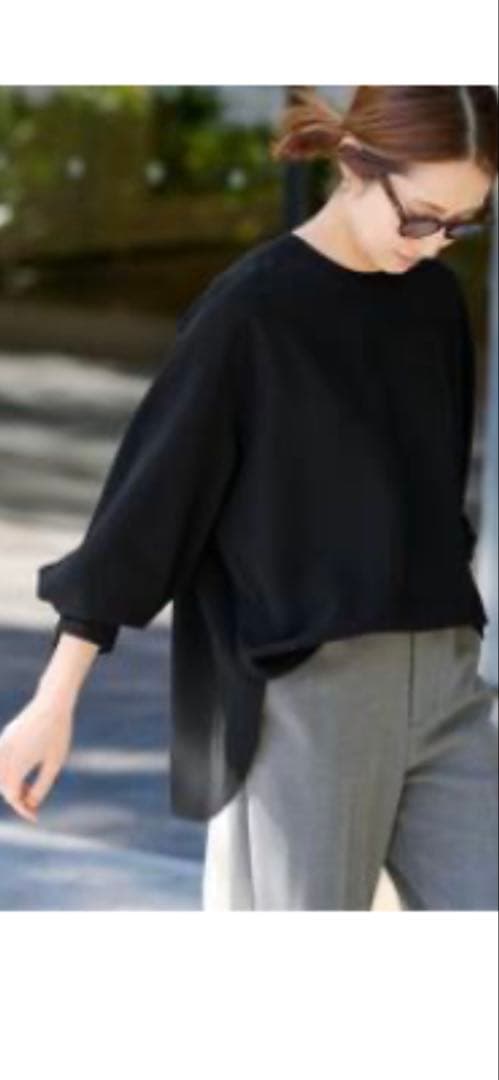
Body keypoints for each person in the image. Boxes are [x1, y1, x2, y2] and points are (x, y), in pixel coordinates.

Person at [0, 86, 498, 911]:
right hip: (307, 695)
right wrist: (55, 700)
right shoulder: (251, 313)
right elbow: (149, 507)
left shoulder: (433, 303)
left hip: (445, 682)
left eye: (462, 224)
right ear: (354, 166)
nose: (434, 243)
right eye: (419, 216)